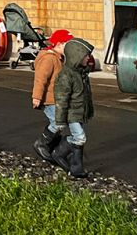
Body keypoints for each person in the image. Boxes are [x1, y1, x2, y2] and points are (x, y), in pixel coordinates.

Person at [51, 36, 96, 178]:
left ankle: (76, 167)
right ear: (76, 56)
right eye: (85, 55)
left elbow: (85, 96)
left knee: (79, 138)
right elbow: (61, 99)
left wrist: (88, 111)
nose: (88, 58)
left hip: (80, 112)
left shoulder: (81, 73)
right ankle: (61, 153)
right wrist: (60, 120)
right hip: (72, 113)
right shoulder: (66, 75)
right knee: (80, 138)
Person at [31, 28, 73, 162]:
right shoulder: (49, 59)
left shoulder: (59, 59)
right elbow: (40, 78)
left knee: (60, 122)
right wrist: (37, 96)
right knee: (58, 122)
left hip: (57, 98)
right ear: (59, 44)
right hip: (49, 99)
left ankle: (52, 145)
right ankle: (42, 143)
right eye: (68, 45)